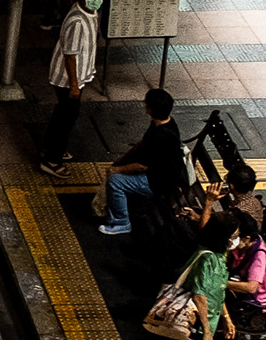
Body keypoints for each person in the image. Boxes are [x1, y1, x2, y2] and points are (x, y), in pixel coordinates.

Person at [74, 87, 186, 232]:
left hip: (159, 182)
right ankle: (133, 207)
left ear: (151, 109)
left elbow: (142, 166)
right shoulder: (165, 123)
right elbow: (144, 142)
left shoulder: (161, 136)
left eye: (147, 104)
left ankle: (121, 222)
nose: (144, 105)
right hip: (162, 174)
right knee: (120, 172)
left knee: (115, 181)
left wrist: (116, 170)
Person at [38, 0, 106, 172]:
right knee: (67, 118)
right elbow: (70, 55)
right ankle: (52, 160)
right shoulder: (77, 21)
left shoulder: (90, 13)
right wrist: (74, 87)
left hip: (78, 76)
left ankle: (49, 148)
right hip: (69, 79)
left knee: (62, 113)